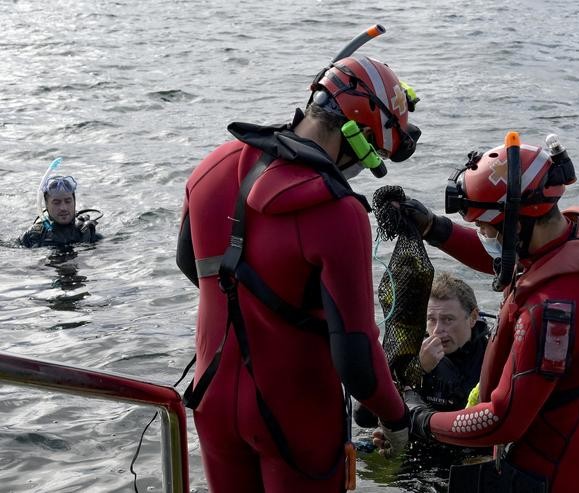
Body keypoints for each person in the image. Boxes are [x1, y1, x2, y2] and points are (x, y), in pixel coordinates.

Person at [176, 47, 422, 492]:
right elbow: (357, 358)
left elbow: (189, 264)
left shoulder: (213, 164)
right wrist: (397, 417)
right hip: (297, 419)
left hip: (211, 402)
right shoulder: (339, 211)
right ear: (358, 137)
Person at [375, 134, 579, 493]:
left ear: (518, 224)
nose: (482, 235)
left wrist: (419, 419)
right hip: (576, 439)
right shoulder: (570, 240)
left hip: (551, 469)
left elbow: (500, 421)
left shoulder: (551, 311)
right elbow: (506, 261)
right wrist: (433, 227)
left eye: (487, 228)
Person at [413, 272, 488, 412]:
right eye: (431, 319)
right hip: (423, 429)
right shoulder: (413, 355)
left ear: (472, 317)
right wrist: (418, 370)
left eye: (448, 319)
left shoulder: (491, 357)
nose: (437, 330)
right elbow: (363, 415)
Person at [19, 175, 101, 248]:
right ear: (46, 205)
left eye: (68, 201)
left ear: (74, 202)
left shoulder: (87, 233)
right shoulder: (33, 236)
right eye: (56, 203)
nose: (63, 208)